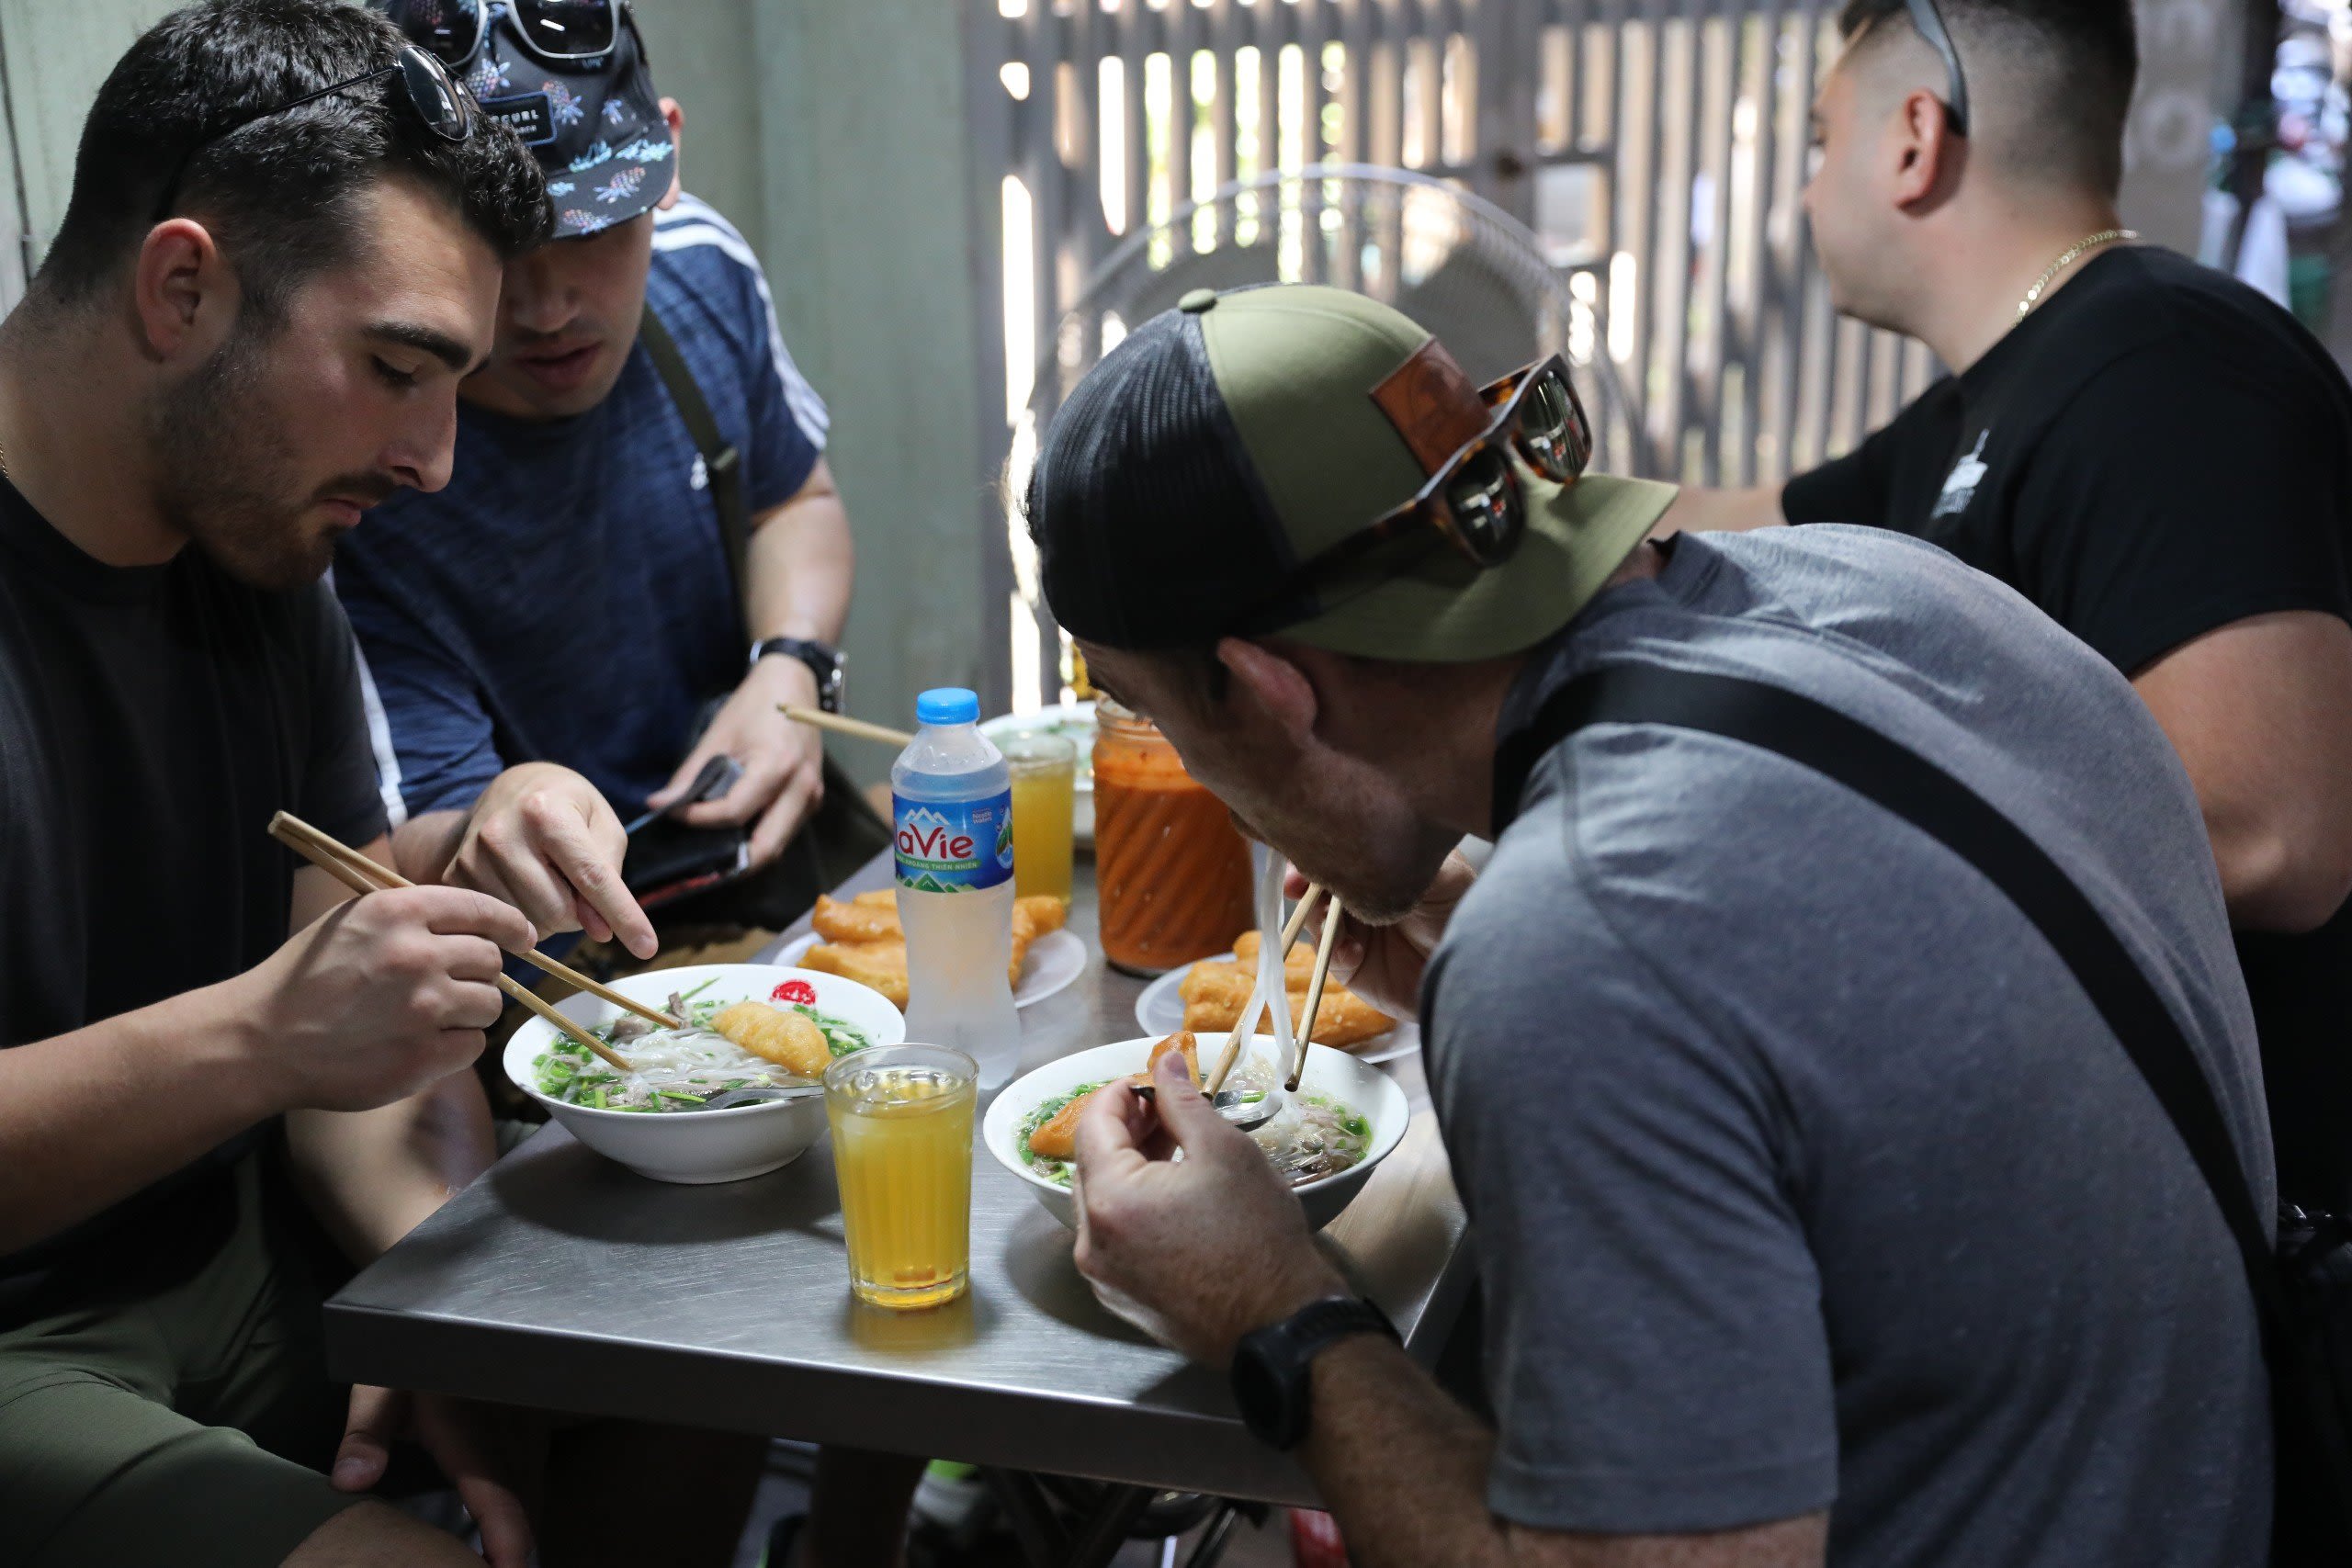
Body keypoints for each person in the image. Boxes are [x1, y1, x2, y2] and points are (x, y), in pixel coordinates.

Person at [1026, 284, 2273, 1564]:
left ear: (1263, 686)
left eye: (1151, 712)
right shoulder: (1895, 587)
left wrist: (1271, 1305)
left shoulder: (1585, 938)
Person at [0, 6, 754, 1565]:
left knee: (707, 1356)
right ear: (183, 285)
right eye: (399, 369)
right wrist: (268, 1030)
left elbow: (345, 1023)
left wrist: (443, 1297)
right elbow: (290, 1025)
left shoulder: (256, 533)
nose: (435, 462)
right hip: (29, 1332)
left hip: (247, 1248)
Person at [1667, 0, 2352, 1213]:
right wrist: (1496, 482)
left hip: (2260, 1225)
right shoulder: (1990, 398)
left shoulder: (2163, 365)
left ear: (1914, 139)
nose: (1812, 193)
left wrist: (1806, 859)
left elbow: (2273, 837)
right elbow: (1745, 523)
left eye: (1824, 144)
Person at [335, 1, 887, 944]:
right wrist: (507, 811)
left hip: (753, 868)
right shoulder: (360, 467)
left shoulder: (701, 273)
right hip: (549, 963)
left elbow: (796, 500)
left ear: (664, 161)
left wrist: (788, 674)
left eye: (591, 228)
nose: (549, 307)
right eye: (497, 252)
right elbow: (399, 842)